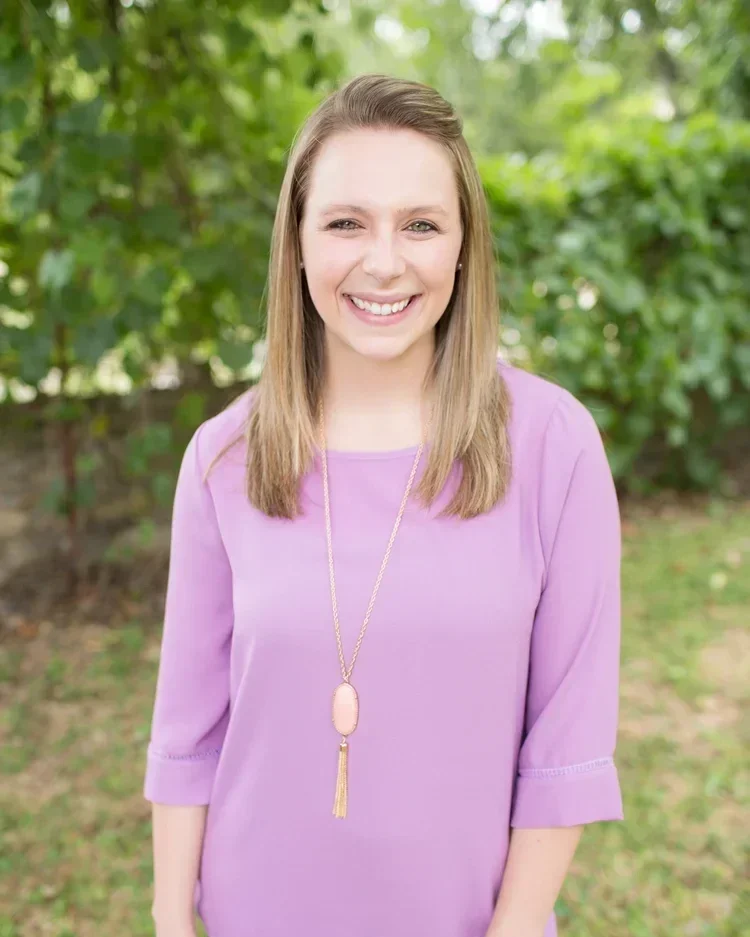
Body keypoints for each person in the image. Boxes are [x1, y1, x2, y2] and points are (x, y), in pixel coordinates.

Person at [143, 73, 624, 937]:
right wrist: (171, 921)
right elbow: (188, 738)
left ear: (464, 247)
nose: (383, 260)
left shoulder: (555, 446)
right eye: (345, 222)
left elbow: (565, 748)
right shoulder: (222, 458)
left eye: (421, 224)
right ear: (295, 242)